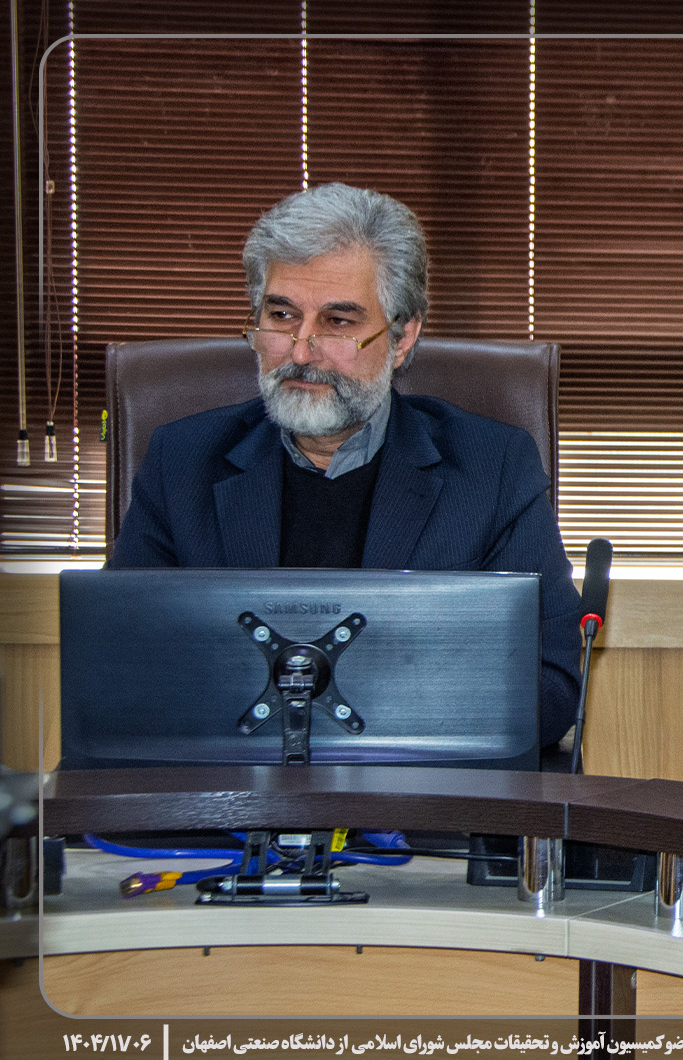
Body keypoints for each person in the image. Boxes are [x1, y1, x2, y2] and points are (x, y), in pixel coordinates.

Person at [108, 183, 583, 748]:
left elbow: (549, 684)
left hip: (416, 793)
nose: (300, 350)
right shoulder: (182, 461)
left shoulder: (492, 469)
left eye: (337, 322)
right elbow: (119, 667)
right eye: (281, 314)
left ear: (402, 337)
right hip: (227, 789)